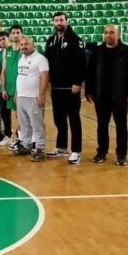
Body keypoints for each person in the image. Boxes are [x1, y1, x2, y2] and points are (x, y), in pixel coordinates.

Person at [85, 25, 128, 166]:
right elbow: (90, 72)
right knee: (102, 126)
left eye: (112, 32)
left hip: (120, 97)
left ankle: (121, 155)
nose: (108, 35)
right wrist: (88, 91)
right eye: (106, 32)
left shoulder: (127, 51)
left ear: (118, 34)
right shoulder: (97, 51)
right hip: (101, 96)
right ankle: (101, 152)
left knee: (121, 126)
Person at [44, 12, 86, 164]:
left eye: (61, 20)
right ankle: (61, 147)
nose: (59, 22)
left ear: (67, 21)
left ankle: (76, 151)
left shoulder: (75, 40)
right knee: (58, 119)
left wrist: (77, 82)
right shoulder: (50, 41)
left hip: (71, 87)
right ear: (53, 23)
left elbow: (81, 63)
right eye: (56, 20)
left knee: (74, 119)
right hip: (55, 87)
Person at [15, 36, 50, 161]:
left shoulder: (40, 59)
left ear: (33, 45)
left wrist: (41, 94)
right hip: (21, 96)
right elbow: (20, 77)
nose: (24, 46)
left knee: (37, 124)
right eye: (22, 44)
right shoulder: (21, 59)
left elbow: (45, 77)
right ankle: (25, 145)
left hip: (34, 97)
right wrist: (16, 93)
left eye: (27, 44)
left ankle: (40, 149)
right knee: (24, 124)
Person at [1, 26, 23, 152]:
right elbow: (3, 71)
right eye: (13, 33)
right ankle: (20, 138)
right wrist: (3, 88)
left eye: (18, 33)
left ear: (21, 34)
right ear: (10, 35)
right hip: (10, 88)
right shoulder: (7, 50)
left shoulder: (25, 49)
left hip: (22, 89)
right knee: (16, 114)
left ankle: (23, 139)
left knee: (21, 115)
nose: (15, 35)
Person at [0, 31, 13, 146]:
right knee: (4, 113)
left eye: (3, 39)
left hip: (17, 88)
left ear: (8, 38)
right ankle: (8, 135)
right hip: (4, 88)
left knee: (20, 114)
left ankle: (23, 135)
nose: (2, 42)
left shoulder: (18, 51)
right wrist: (5, 84)